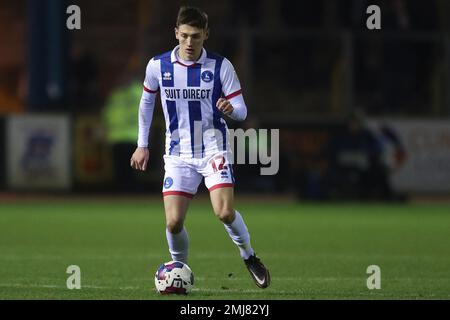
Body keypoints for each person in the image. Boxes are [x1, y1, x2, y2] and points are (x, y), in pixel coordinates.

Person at [130, 6, 270, 289]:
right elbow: (146, 104)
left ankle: (249, 255)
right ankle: (178, 270)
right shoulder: (158, 66)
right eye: (184, 36)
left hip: (212, 150)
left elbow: (242, 110)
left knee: (224, 213)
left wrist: (231, 109)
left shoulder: (221, 67)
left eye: (195, 36)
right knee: (173, 223)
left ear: (206, 34)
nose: (189, 43)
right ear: (176, 34)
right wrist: (141, 145)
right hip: (178, 155)